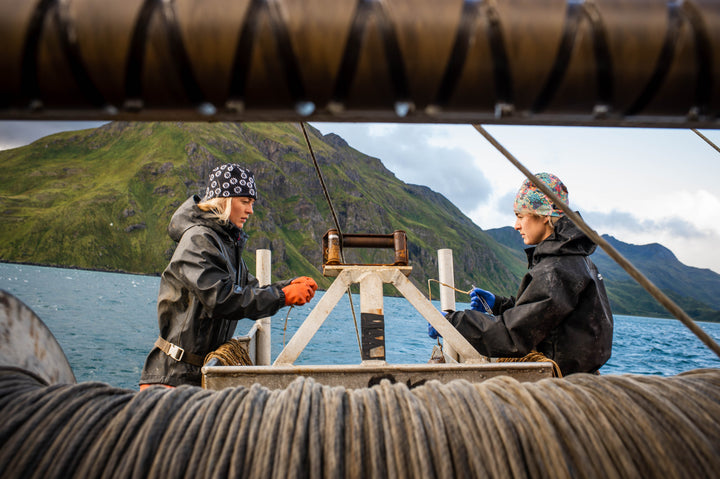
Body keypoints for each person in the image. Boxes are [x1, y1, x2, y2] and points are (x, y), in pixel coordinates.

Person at [140, 163, 318, 388]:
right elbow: (221, 299)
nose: (250, 210)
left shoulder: (225, 244)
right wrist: (284, 295)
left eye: (252, 203)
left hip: (197, 376)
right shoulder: (199, 240)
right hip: (172, 376)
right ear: (223, 200)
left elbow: (250, 291)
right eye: (245, 202)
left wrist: (289, 285)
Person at [429, 173, 613, 375]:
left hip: (556, 381)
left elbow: (513, 335)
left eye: (520, 216)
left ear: (544, 216)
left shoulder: (556, 269)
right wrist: (499, 305)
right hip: (579, 375)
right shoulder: (577, 259)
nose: (516, 225)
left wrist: (451, 323)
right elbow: (545, 319)